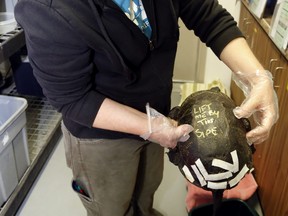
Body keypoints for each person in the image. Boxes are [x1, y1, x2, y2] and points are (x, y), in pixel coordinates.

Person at [14, 0, 278, 215]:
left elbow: (208, 15)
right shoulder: (45, 7)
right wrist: (148, 127)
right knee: (110, 206)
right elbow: (71, 97)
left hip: (160, 114)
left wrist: (257, 77)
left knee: (147, 189)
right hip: (100, 134)